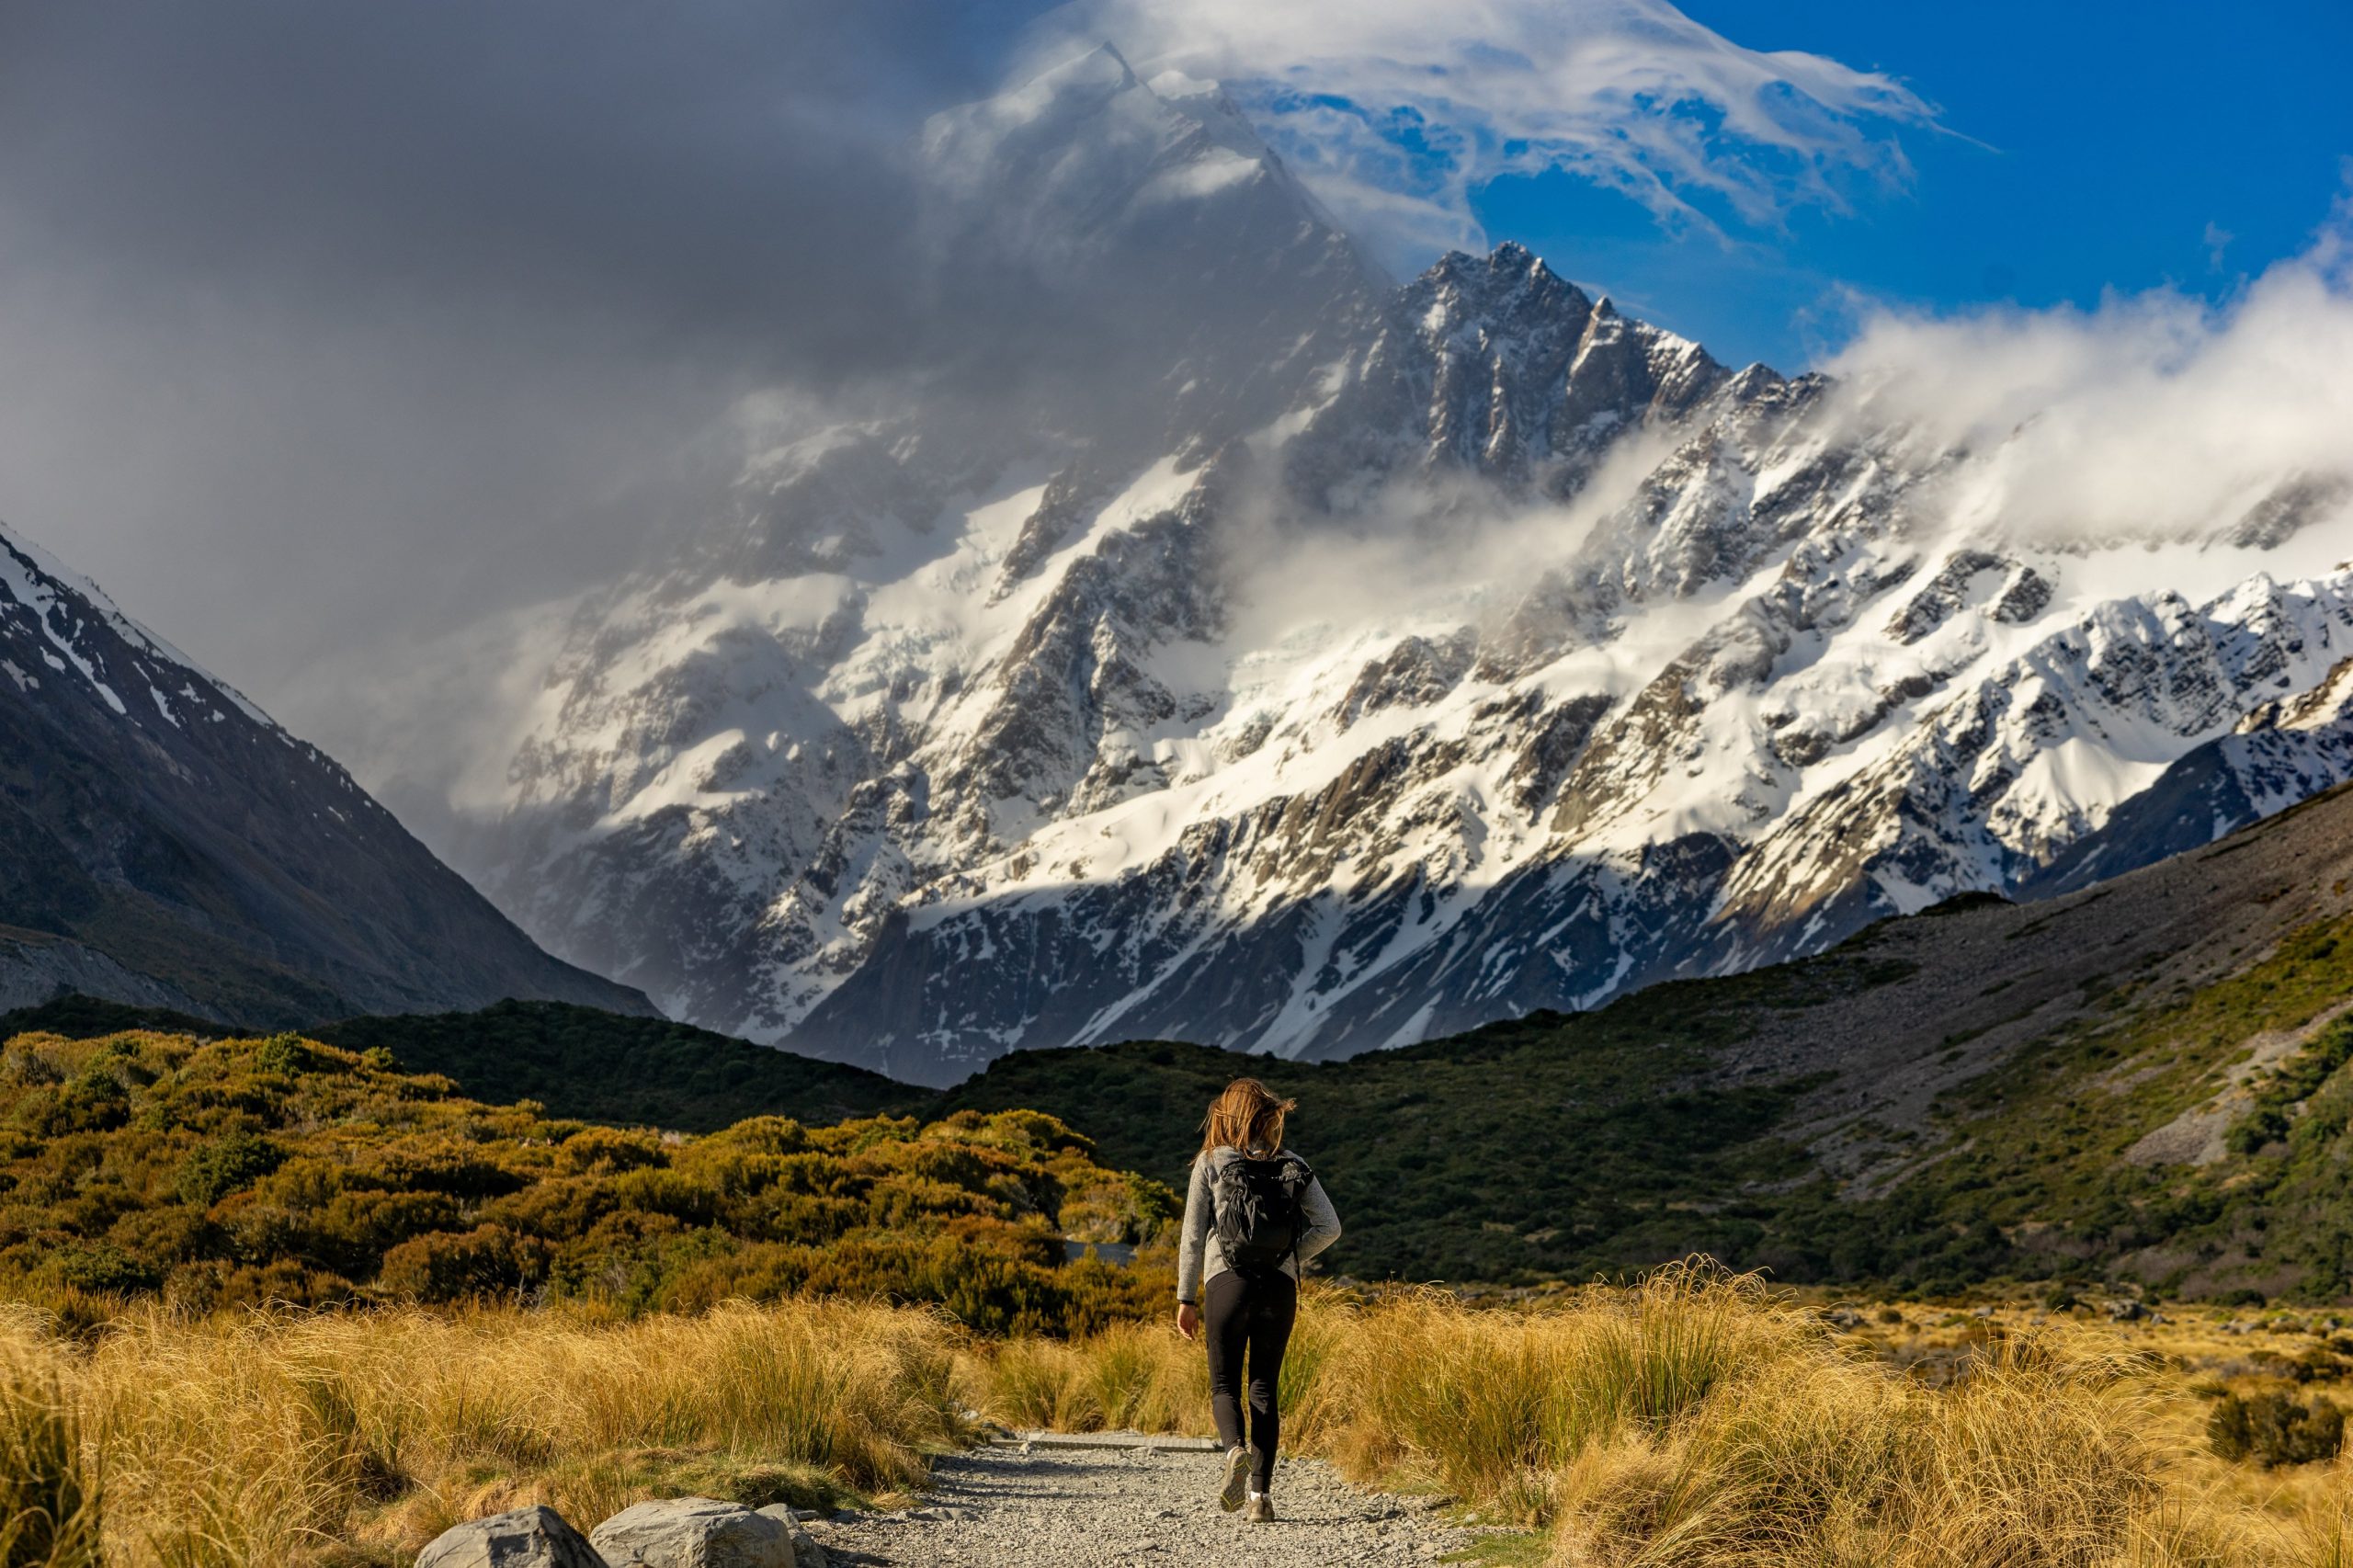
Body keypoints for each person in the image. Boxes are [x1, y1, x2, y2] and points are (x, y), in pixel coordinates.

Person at [1175, 1077, 1342, 1524]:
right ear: (1268, 1116)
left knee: (1224, 1384)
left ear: (1226, 1114)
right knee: (1264, 1388)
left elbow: (1192, 1238)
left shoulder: (1211, 1161)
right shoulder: (1294, 1164)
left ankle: (1234, 1451)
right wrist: (1286, 1256)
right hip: (1279, 1288)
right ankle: (1260, 1499)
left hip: (1227, 1283)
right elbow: (1329, 1228)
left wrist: (1185, 1298)